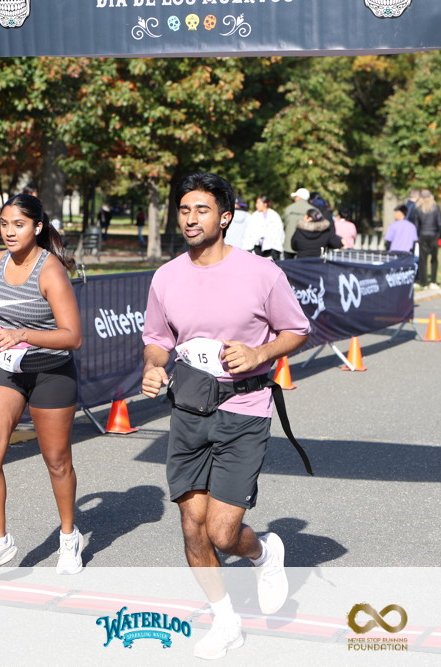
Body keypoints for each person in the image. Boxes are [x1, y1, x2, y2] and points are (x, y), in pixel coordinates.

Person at [141, 172, 310, 660]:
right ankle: (225, 620)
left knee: (221, 531)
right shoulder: (166, 276)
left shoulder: (261, 273)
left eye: (202, 210)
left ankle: (264, 552)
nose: (191, 219)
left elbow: (296, 330)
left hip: (245, 411)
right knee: (191, 524)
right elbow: (158, 339)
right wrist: (153, 366)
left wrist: (260, 354)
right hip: (189, 410)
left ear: (226, 217)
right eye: (185, 210)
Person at [0, 193, 85, 579]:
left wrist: (22, 334)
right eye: (4, 224)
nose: (9, 232)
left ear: (37, 227)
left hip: (52, 371)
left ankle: (69, 537)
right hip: (8, 369)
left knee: (57, 461)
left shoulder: (50, 271)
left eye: (18, 224)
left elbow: (72, 337)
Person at [408, 189, 441, 288]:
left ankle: (423, 282)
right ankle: (433, 281)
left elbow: (416, 225)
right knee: (434, 259)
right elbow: (440, 223)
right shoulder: (436, 207)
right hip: (434, 235)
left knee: (423, 259)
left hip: (422, 235)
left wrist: (416, 238)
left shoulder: (417, 208)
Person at [245, 196, 285, 260]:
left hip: (272, 247)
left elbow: (279, 231)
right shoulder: (254, 216)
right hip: (257, 246)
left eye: (259, 203)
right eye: (256, 203)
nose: (256, 205)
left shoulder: (274, 215)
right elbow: (249, 232)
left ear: (265, 204)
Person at [282, 188, 312, 259]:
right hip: (305, 247)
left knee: (288, 265)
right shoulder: (313, 210)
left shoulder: (288, 209)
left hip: (288, 246)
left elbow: (284, 225)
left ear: (298, 197)